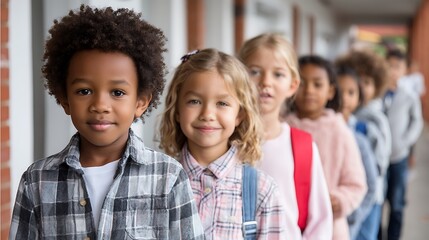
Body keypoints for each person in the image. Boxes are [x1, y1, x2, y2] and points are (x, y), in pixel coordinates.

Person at [9, 5, 204, 239]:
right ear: (64, 98)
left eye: (118, 92)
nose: (100, 105)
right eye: (84, 91)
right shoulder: (36, 181)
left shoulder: (168, 177)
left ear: (140, 102)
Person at [159, 48, 287, 240]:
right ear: (177, 110)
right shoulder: (158, 183)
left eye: (222, 103)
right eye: (194, 101)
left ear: (240, 114)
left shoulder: (262, 190)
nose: (207, 115)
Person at [238, 33, 332, 240]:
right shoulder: (223, 143)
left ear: (292, 85)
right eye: (254, 71)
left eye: (278, 74)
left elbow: (320, 222)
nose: (265, 82)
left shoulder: (302, 146)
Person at [285, 55, 367, 240]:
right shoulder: (281, 127)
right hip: (286, 224)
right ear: (292, 86)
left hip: (330, 227)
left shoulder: (339, 131)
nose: (309, 91)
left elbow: (356, 184)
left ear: (330, 91)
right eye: (302, 83)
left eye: (318, 84)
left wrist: (338, 200)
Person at [335, 49, 392, 240]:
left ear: (376, 87)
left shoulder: (374, 122)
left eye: (366, 83)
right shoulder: (336, 117)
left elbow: (380, 165)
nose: (360, 86)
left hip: (370, 197)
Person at [382, 49, 423, 240]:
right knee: (377, 202)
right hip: (379, 158)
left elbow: (417, 121)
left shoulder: (409, 95)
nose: (392, 71)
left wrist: (405, 142)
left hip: (398, 157)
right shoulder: (377, 92)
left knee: (397, 204)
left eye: (397, 67)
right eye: (389, 66)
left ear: (405, 70)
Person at [336, 66, 378, 240]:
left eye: (351, 92)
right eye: (340, 92)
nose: (344, 98)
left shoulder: (363, 133)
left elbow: (372, 182)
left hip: (355, 212)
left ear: (359, 97)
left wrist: (355, 215)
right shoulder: (320, 130)